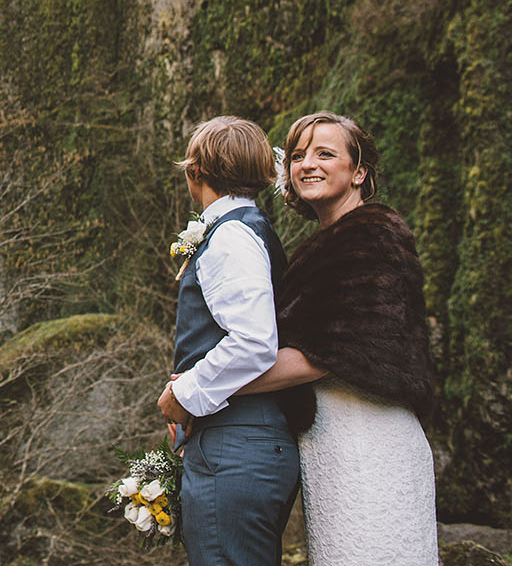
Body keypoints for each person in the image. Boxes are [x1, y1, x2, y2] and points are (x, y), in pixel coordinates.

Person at [235, 112, 437, 565]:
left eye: (325, 153)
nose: (307, 164)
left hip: (370, 442)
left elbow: (325, 355)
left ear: (359, 172)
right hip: (332, 445)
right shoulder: (326, 245)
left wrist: (207, 388)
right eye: (299, 155)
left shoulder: (373, 237)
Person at [157, 116, 300, 566]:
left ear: (193, 171)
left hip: (235, 448)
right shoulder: (249, 227)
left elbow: (255, 341)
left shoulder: (231, 236)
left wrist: (185, 394)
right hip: (243, 444)